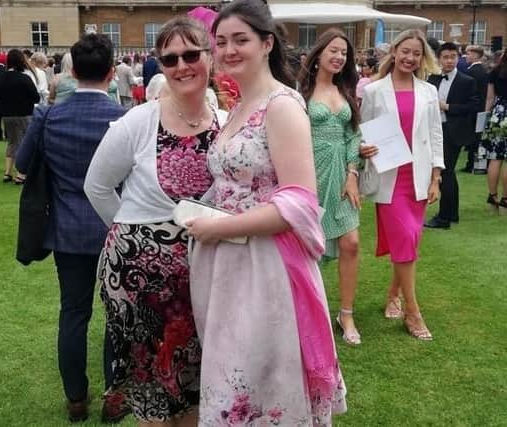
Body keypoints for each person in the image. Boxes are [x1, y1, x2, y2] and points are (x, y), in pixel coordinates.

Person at [186, 1, 347, 424]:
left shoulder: (282, 105)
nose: (229, 50)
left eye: (241, 39)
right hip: (227, 263)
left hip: (268, 266)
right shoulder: (237, 106)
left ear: (267, 43)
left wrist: (219, 228)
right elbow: (234, 182)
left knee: (262, 377)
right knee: (233, 374)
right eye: (221, 42)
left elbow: (299, 202)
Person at [85, 16, 225, 426]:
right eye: (170, 58)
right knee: (153, 393)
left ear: (209, 58)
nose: (182, 65)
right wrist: (135, 237)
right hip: (137, 284)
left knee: (195, 385)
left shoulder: (225, 124)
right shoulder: (137, 121)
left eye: (191, 54)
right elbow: (96, 187)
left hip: (202, 280)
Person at [16, 34, 127, 424]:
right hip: (116, 227)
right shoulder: (123, 118)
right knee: (117, 315)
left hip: (68, 230)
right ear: (112, 72)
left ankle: (76, 398)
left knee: (74, 314)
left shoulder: (50, 115)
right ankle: (114, 396)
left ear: (72, 71)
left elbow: (23, 166)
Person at [360, 29, 444, 340]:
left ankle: (394, 293)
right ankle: (412, 311)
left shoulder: (428, 92)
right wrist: (363, 148)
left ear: (423, 58)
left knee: (409, 243)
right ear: (394, 52)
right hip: (390, 178)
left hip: (419, 178)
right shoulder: (373, 91)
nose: (410, 58)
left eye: (416, 53)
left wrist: (437, 176)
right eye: (405, 51)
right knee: (406, 239)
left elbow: (436, 135)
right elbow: (363, 132)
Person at [298, 28, 363, 345]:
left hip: (344, 176)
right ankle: (310, 313)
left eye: (344, 53)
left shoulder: (346, 89)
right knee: (312, 248)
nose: (339, 57)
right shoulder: (300, 93)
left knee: (351, 242)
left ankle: (346, 313)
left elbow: (354, 134)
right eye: (334, 51)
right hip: (312, 174)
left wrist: (353, 171)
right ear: (319, 54)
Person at [425, 42, 479, 229]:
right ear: (439, 59)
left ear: (458, 57)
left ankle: (445, 217)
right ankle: (450, 214)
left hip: (453, 131)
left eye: (453, 57)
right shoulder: (432, 79)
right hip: (434, 130)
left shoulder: (467, 80)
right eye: (445, 57)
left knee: (445, 172)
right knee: (445, 172)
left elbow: (473, 106)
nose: (449, 61)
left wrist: (448, 107)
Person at [0, 49, 39, 184]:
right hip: (24, 114)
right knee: (24, 142)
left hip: (7, 115)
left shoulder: (1, 77)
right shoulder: (24, 78)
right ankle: (21, 174)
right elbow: (36, 97)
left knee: (12, 142)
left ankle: (7, 172)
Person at [481, 50, 507, 211]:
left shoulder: (495, 71)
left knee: (495, 158)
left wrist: (485, 118)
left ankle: (492, 196)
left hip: (498, 115)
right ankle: (505, 199)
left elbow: (490, 98)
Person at [462, 45, 489, 173]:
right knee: (478, 138)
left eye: (468, 54)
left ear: (475, 55)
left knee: (473, 138)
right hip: (482, 108)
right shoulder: (484, 70)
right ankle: (477, 164)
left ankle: (471, 164)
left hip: (473, 109)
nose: (466, 56)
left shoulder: (471, 72)